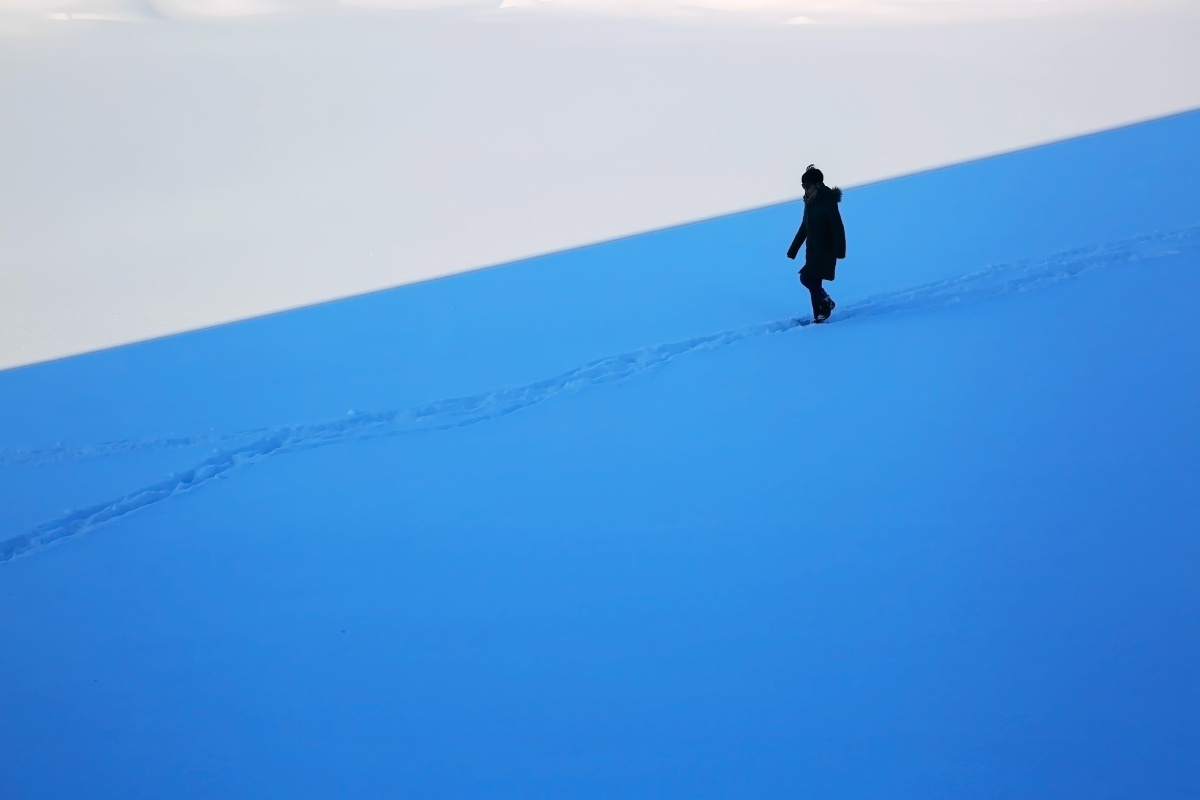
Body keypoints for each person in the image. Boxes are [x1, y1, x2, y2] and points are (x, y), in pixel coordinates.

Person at [786, 165, 846, 323]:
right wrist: (793, 249)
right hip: (812, 249)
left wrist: (840, 250)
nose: (805, 190)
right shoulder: (810, 202)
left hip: (826, 250)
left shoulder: (827, 201)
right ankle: (818, 318)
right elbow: (804, 226)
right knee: (814, 284)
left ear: (817, 184)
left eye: (808, 186)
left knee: (806, 278)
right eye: (803, 186)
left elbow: (837, 226)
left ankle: (826, 302)